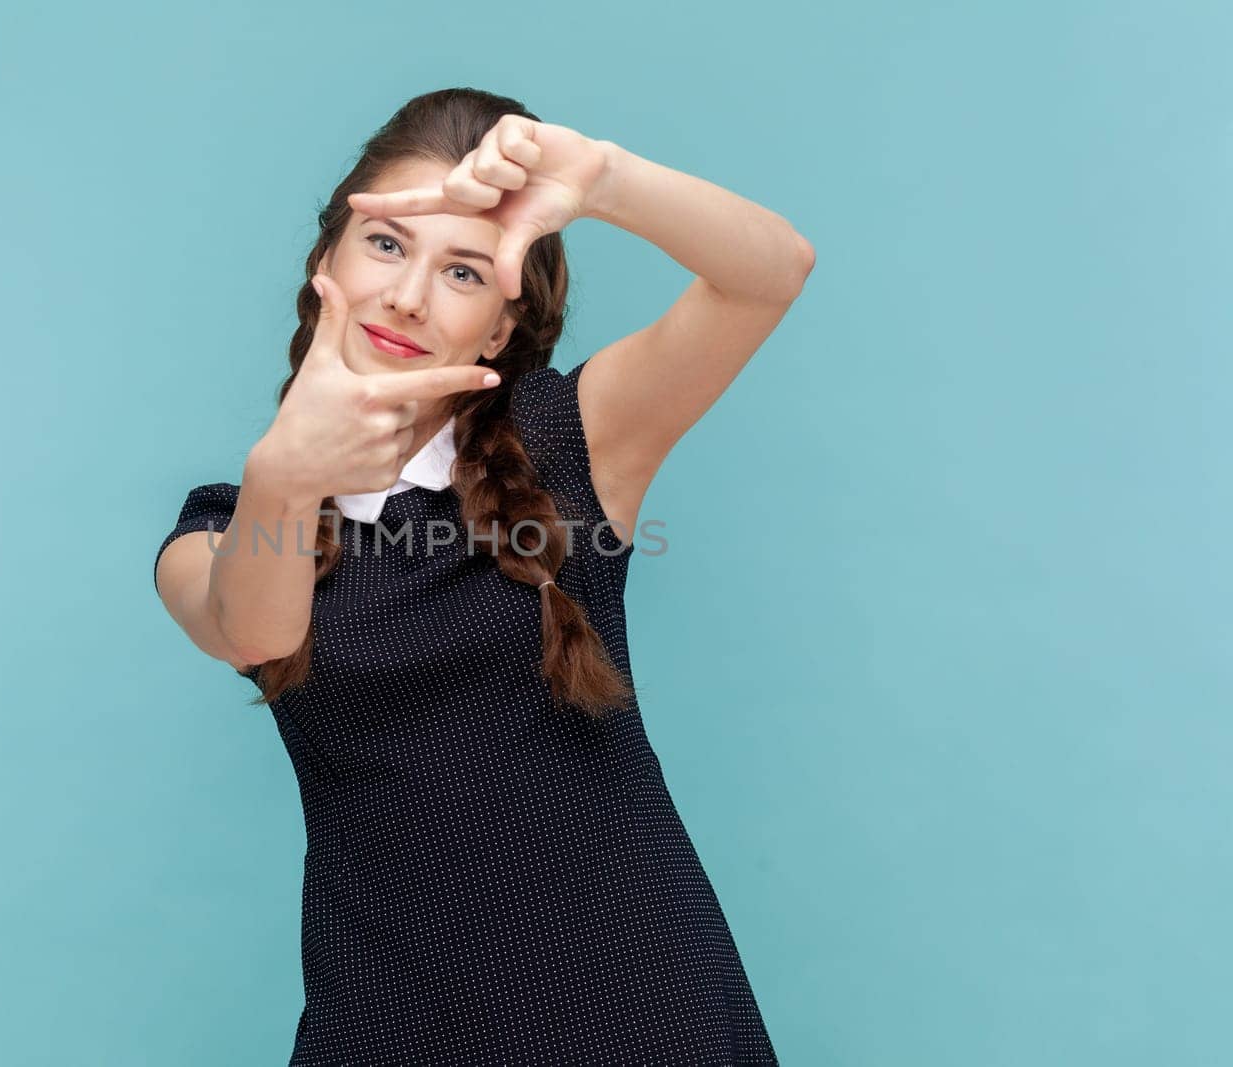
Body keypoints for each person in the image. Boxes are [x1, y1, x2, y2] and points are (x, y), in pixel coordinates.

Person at [154, 87, 813, 1065]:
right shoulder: (227, 520)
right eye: (385, 243)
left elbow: (769, 274)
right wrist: (285, 472)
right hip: (389, 1020)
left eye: (463, 269)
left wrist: (602, 178)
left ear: (500, 329)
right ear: (323, 259)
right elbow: (252, 632)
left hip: (635, 1006)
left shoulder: (572, 444)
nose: (409, 295)